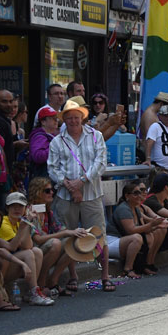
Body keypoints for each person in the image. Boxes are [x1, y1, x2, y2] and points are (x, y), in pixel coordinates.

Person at [47, 97, 113, 291]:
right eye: (69, 118)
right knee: (69, 236)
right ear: (64, 120)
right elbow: (52, 168)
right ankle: (73, 276)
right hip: (65, 195)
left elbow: (100, 163)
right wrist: (68, 185)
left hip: (92, 193)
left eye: (76, 117)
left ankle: (105, 275)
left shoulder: (95, 136)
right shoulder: (57, 141)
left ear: (82, 118)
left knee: (99, 235)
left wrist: (82, 181)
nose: (73, 121)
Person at [145, 104, 168, 175]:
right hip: (159, 168)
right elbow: (149, 143)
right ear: (160, 116)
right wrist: (148, 159)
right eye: (167, 115)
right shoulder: (155, 126)